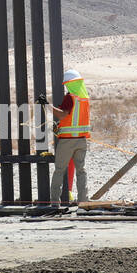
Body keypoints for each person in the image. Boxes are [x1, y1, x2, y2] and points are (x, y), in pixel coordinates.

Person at [46, 69, 90, 205]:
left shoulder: (70, 98)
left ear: (69, 84)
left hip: (67, 142)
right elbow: (73, 119)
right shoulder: (84, 99)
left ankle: (54, 202)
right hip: (82, 141)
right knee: (81, 171)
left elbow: (62, 115)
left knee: (59, 170)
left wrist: (46, 105)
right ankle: (83, 201)